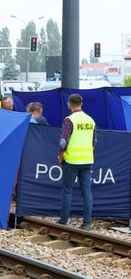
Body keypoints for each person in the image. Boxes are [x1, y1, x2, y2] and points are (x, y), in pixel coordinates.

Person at [58, 94, 96, 231]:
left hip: (72, 160)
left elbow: (63, 142)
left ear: (69, 104)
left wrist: (60, 156)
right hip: (87, 160)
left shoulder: (70, 120)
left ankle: (63, 221)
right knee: (87, 191)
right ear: (81, 103)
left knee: (67, 190)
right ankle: (87, 224)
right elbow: (94, 142)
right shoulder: (90, 120)